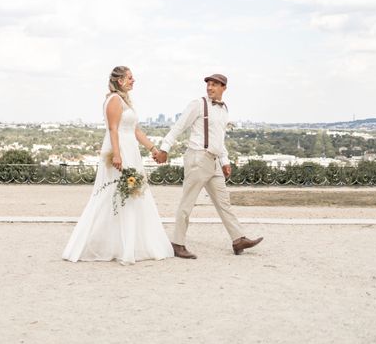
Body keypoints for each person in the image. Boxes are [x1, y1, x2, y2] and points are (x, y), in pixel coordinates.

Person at [62, 66, 174, 265]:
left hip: (131, 150)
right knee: (110, 194)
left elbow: (135, 130)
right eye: (130, 78)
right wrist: (117, 154)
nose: (134, 80)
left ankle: (126, 244)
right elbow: (113, 129)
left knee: (131, 194)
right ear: (120, 80)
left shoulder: (125, 101)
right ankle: (89, 244)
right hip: (120, 150)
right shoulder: (114, 100)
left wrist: (153, 149)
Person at [154, 73, 263, 259]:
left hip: (214, 161)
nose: (210, 87)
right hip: (197, 158)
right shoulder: (198, 104)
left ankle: (238, 239)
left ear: (224, 88)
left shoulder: (224, 109)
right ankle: (177, 244)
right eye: (209, 84)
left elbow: (220, 138)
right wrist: (164, 148)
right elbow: (179, 127)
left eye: (215, 85)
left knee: (224, 202)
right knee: (187, 203)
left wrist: (225, 161)